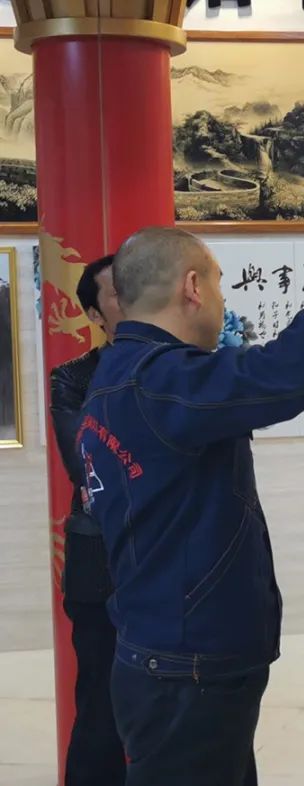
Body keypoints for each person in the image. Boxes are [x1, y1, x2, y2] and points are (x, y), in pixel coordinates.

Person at [76, 217, 304, 786]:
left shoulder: (124, 373)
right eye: (218, 284)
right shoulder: (160, 382)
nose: (221, 300)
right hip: (185, 659)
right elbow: (281, 372)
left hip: (169, 646)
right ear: (192, 287)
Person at [49, 255, 126, 786]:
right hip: (102, 562)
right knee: (101, 705)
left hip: (179, 565)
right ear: (95, 315)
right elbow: (87, 467)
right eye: (118, 292)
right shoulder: (74, 378)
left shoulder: (193, 367)